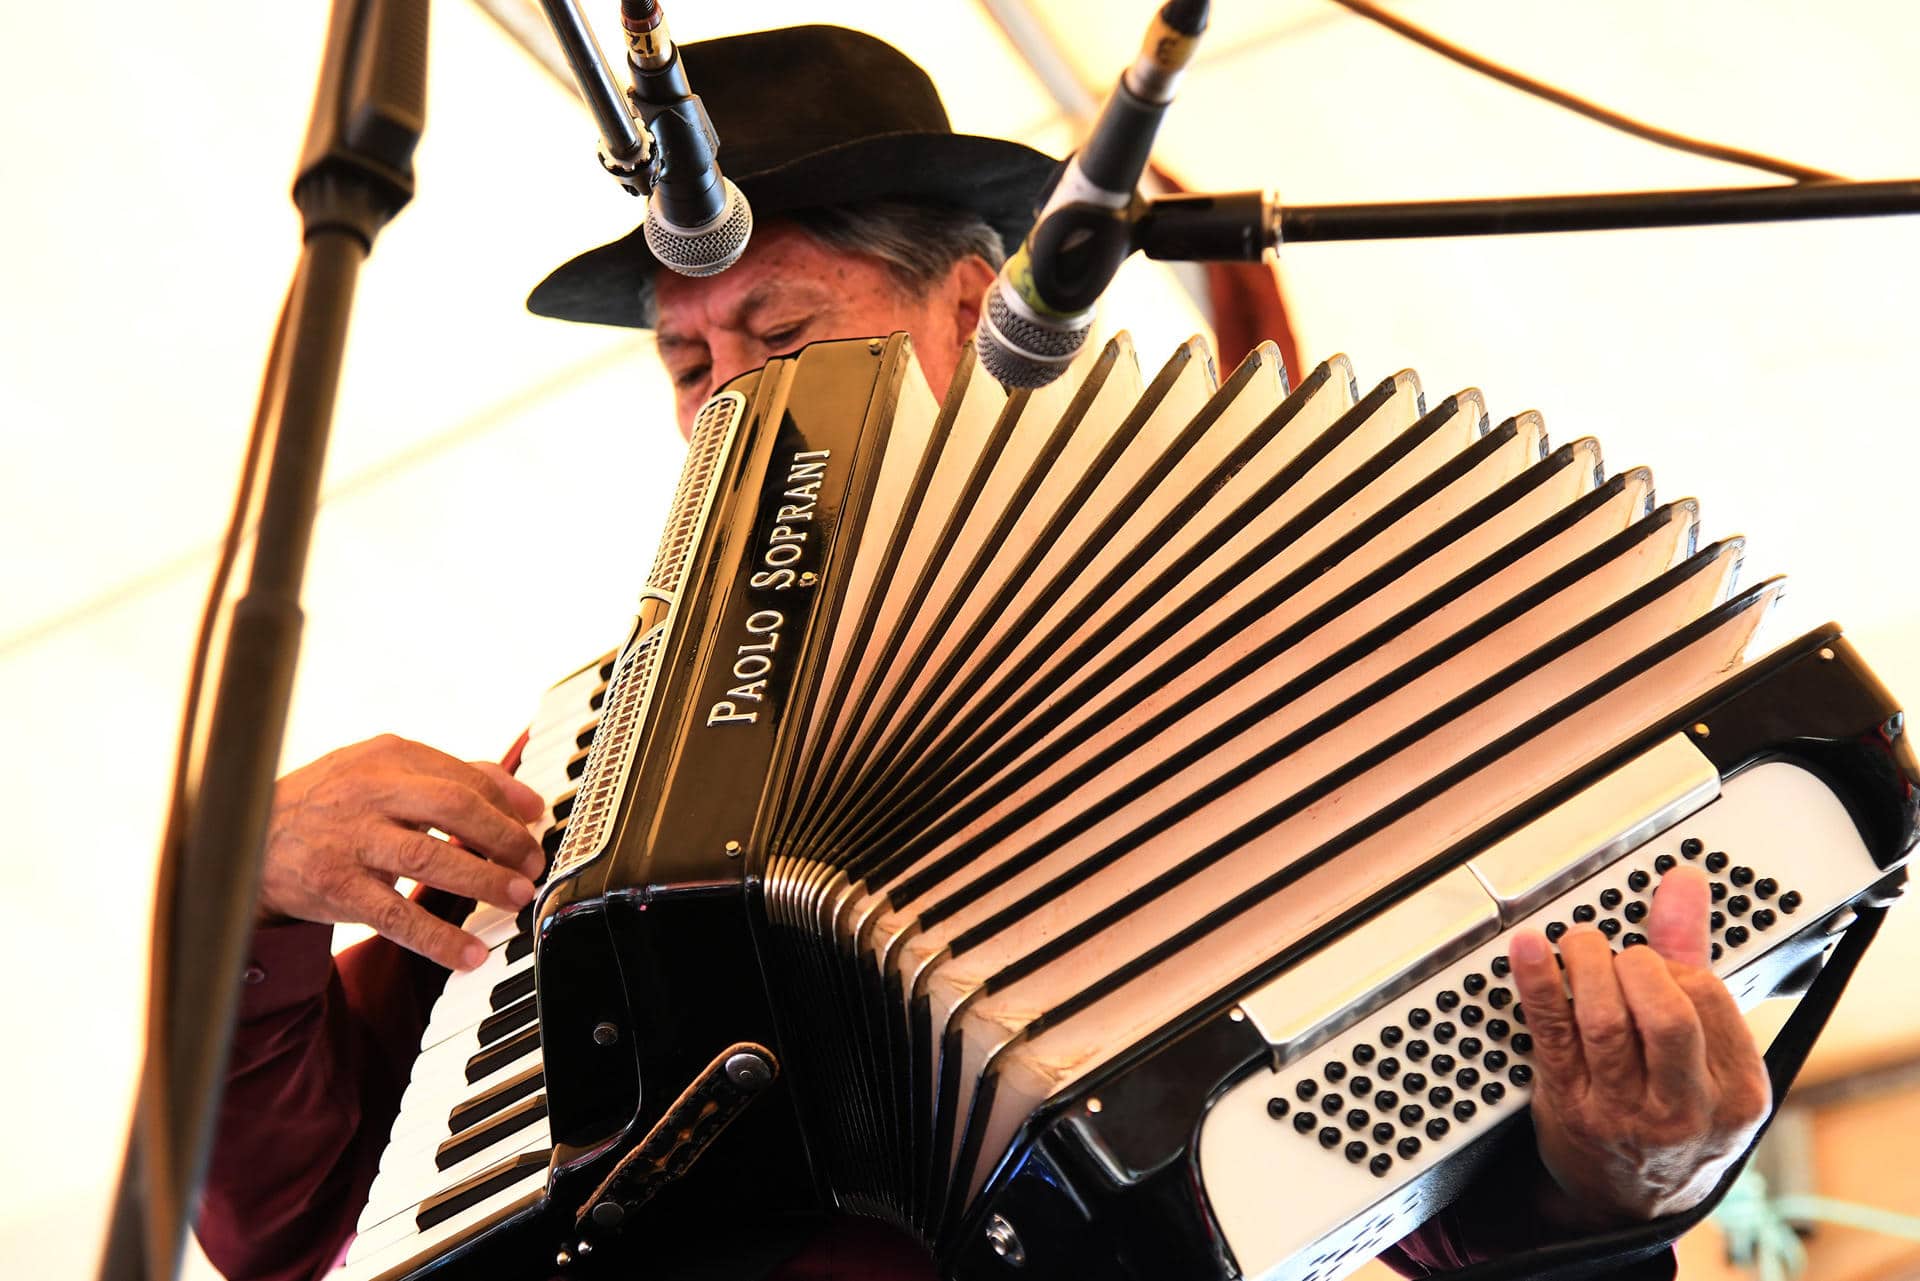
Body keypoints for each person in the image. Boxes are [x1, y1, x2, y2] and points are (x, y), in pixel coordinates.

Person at [196, 25, 1770, 1281]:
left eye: (783, 330)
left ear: (967, 307)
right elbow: (285, 1219)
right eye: (687, 356)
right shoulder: (604, 750)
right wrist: (247, 891)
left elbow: (1378, 1180)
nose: (722, 394)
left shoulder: (1217, 628)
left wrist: (1603, 1196)